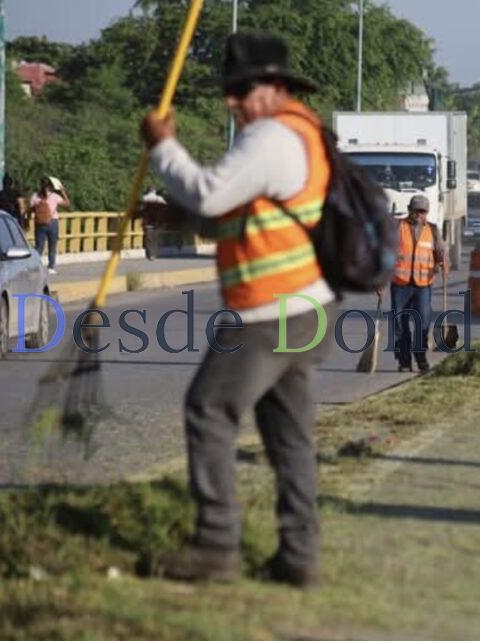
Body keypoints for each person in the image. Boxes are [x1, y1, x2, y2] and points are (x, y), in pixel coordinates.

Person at [141, 31, 335, 586]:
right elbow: (239, 213)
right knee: (289, 437)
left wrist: (162, 147)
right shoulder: (300, 132)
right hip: (306, 306)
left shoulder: (272, 136)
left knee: (208, 408)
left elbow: (207, 192)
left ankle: (217, 545)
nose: (233, 102)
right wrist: (179, 221)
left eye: (242, 91)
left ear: (273, 87)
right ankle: (300, 556)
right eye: (231, 91)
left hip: (269, 312)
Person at [389, 194, 446, 373]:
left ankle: (421, 358)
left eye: (423, 211)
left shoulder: (433, 230)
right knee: (400, 323)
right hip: (400, 284)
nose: (419, 215)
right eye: (416, 211)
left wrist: (440, 265)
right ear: (409, 210)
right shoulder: (398, 227)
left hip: (423, 284)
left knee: (422, 322)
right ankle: (404, 361)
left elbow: (441, 253)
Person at [30, 177, 69, 274]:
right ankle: (51, 267)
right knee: (52, 245)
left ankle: (35, 266)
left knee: (39, 246)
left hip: (39, 223)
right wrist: (62, 191)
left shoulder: (35, 196)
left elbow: (31, 208)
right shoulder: (55, 196)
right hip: (53, 222)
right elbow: (67, 203)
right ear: (50, 187)